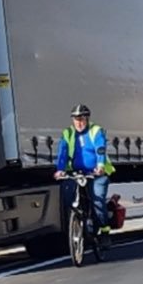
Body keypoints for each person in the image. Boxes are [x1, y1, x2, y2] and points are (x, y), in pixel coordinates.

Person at [54, 103, 115, 248]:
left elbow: (100, 149)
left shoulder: (95, 131)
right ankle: (77, 224)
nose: (79, 122)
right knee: (68, 198)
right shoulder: (67, 133)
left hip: (97, 173)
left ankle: (105, 233)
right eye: (76, 119)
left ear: (87, 119)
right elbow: (62, 153)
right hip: (75, 173)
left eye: (81, 119)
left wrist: (100, 166)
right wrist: (60, 169)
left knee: (97, 199)